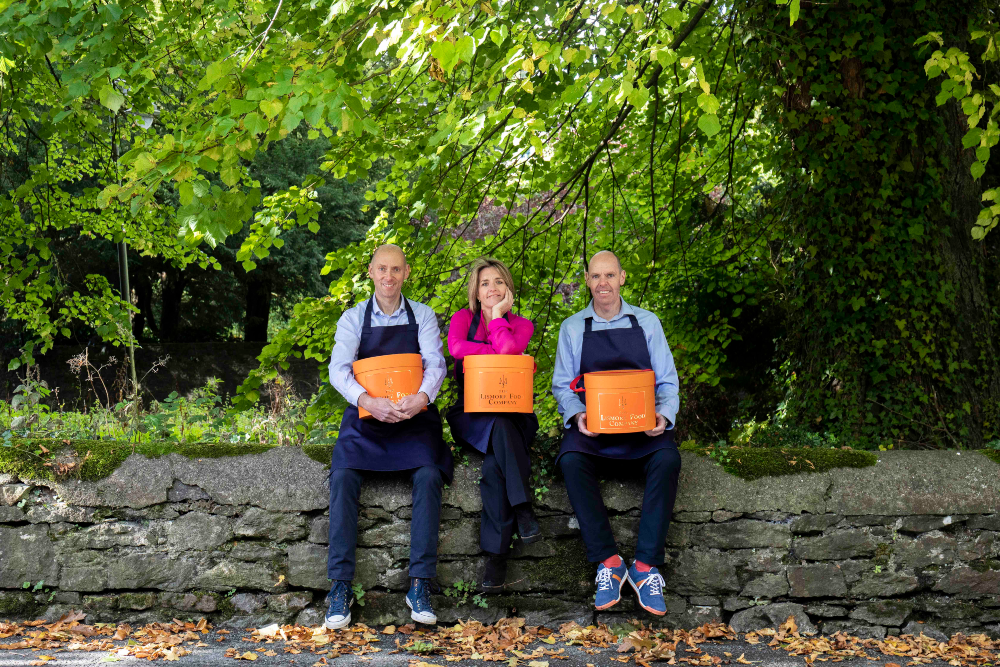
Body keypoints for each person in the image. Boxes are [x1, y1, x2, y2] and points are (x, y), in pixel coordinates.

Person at [324, 244, 452, 629]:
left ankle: (419, 583)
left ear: (406, 272)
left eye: (396, 269)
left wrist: (422, 398)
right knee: (343, 475)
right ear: (371, 271)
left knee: (430, 475)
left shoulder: (424, 316)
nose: (389, 277)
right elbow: (337, 370)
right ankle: (340, 587)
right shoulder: (351, 319)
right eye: (382, 269)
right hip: (367, 419)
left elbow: (436, 363)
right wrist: (367, 400)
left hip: (414, 418)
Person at [551, 250, 680, 616]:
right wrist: (577, 416)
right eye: (595, 277)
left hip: (642, 427)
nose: (602, 283)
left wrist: (663, 415)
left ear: (622, 277)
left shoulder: (648, 323)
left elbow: (668, 383)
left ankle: (645, 567)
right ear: (588, 281)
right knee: (571, 460)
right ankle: (609, 563)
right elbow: (562, 386)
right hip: (595, 429)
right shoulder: (573, 327)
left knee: (668, 459)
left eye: (609, 275)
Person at [446, 257, 541, 592]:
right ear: (476, 289)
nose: (492, 288)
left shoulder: (523, 324)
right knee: (497, 428)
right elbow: (456, 347)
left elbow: (510, 346)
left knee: (492, 467)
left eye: (499, 282)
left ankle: (496, 557)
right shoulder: (461, 319)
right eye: (485, 283)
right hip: (470, 413)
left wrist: (498, 319)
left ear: (508, 289)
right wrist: (496, 348)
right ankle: (523, 509)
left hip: (515, 411)